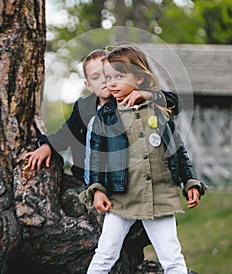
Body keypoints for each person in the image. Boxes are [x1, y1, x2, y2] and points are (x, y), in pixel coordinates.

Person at [79, 45, 207, 274]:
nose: (112, 82)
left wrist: (191, 182)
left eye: (120, 75)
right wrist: (97, 189)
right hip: (121, 199)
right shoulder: (104, 119)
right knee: (105, 255)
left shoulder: (159, 111)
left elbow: (179, 151)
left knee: (172, 258)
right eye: (109, 77)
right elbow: (96, 160)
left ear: (139, 77)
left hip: (159, 197)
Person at [24, 48, 182, 180]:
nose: (104, 81)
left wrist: (149, 95)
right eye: (95, 77)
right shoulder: (83, 107)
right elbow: (66, 134)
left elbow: (175, 104)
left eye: (108, 74)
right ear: (88, 85)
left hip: (127, 180)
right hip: (90, 178)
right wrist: (47, 146)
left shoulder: (130, 99)